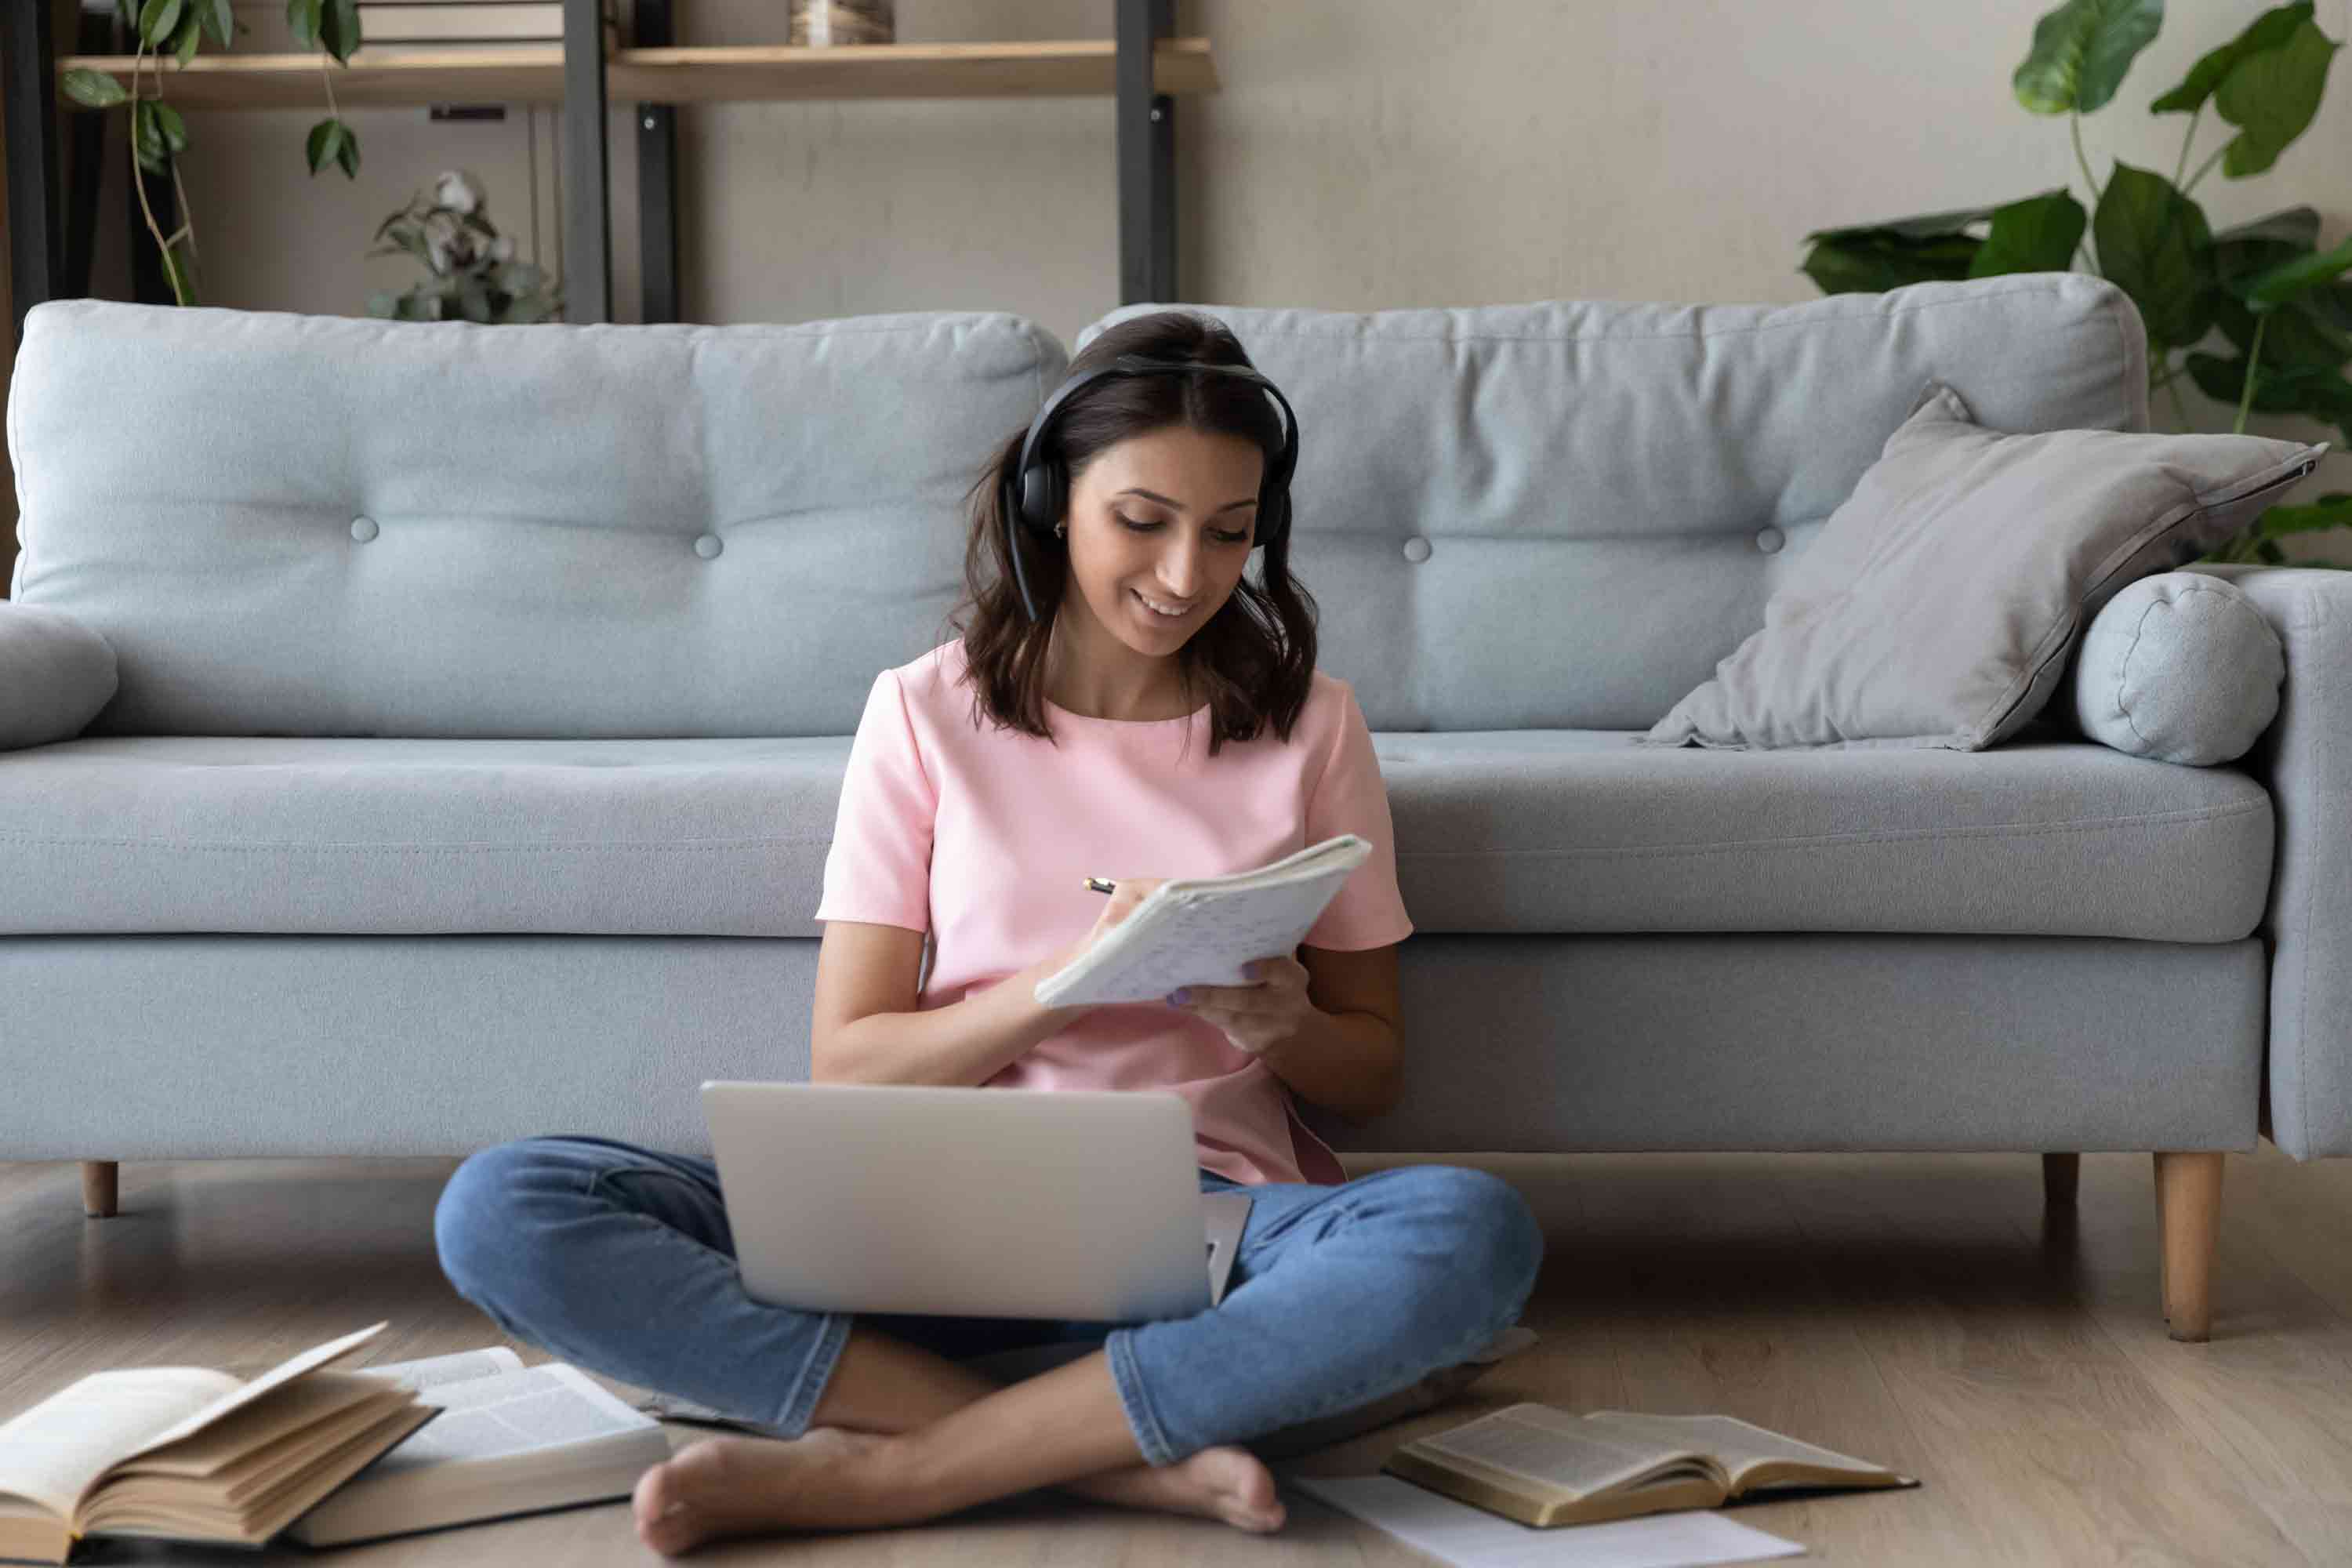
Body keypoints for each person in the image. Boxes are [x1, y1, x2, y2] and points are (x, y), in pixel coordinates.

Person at [432, 310, 1546, 1556]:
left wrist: (1292, 1030)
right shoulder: (922, 712)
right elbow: (847, 1063)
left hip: (1208, 1224)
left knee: (1469, 1233)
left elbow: (1374, 1071)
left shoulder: (1313, 726)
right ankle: (1118, 1456)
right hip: (931, 1218)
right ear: (1050, 498)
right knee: (507, 1204)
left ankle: (890, 1470)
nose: (1187, 574)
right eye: (1143, 522)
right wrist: (1069, 984)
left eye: (1230, 534)